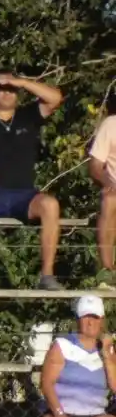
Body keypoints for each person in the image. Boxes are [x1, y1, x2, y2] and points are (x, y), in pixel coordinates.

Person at [0, 72, 65, 291]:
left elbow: (55, 98)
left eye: (12, 88)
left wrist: (23, 81)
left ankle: (47, 275)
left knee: (50, 204)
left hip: (24, 195)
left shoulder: (28, 116)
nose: (7, 92)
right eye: (1, 87)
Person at [89, 106, 116, 289]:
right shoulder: (111, 125)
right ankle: (107, 271)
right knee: (109, 200)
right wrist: (108, 182)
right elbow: (95, 166)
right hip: (115, 188)